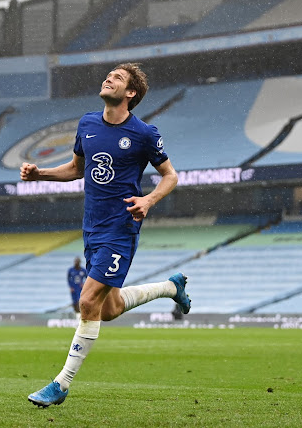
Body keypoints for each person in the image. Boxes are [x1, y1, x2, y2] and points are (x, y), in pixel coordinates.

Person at [20, 63, 191, 407]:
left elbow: (171, 175)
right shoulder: (87, 124)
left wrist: (148, 199)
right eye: (108, 74)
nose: (108, 78)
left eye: (118, 77)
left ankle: (61, 384)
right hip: (92, 228)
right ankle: (171, 288)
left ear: (130, 94)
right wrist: (41, 175)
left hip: (121, 227)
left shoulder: (144, 133)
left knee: (87, 302)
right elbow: (76, 169)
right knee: (108, 308)